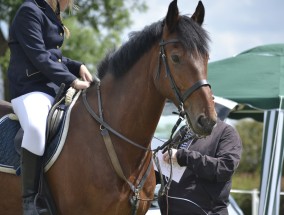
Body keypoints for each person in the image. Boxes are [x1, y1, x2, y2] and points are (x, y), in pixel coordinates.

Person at [7, 0, 93, 214]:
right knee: (36, 128)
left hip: (53, 89)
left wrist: (77, 65)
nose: (72, 2)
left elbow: (54, 56)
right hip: (30, 90)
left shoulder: (47, 13)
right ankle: (30, 201)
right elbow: (39, 56)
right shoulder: (29, 11)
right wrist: (72, 80)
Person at [158, 118, 242, 215]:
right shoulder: (184, 130)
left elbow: (224, 168)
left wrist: (184, 157)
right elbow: (164, 170)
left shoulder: (226, 132)